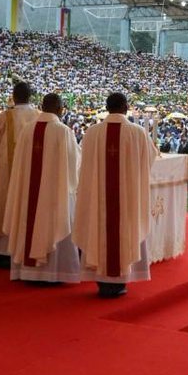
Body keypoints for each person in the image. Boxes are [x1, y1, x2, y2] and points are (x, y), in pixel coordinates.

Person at [74, 92, 159, 298]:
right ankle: (119, 279)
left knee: (98, 230)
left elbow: (84, 166)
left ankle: (102, 279)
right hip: (127, 197)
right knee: (125, 231)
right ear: (126, 107)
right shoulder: (137, 133)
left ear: (107, 108)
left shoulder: (92, 133)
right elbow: (149, 160)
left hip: (98, 198)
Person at [4, 93, 80, 284]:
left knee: (28, 221)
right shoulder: (63, 131)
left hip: (28, 194)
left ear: (42, 106)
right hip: (54, 193)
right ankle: (53, 273)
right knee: (56, 222)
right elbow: (74, 165)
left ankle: (27, 271)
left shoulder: (27, 130)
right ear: (60, 109)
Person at [0, 81, 37, 268]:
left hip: (6, 168)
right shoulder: (39, 115)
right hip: (31, 168)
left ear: (13, 97)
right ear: (30, 97)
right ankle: (27, 247)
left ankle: (3, 250)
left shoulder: (6, 116)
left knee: (3, 202)